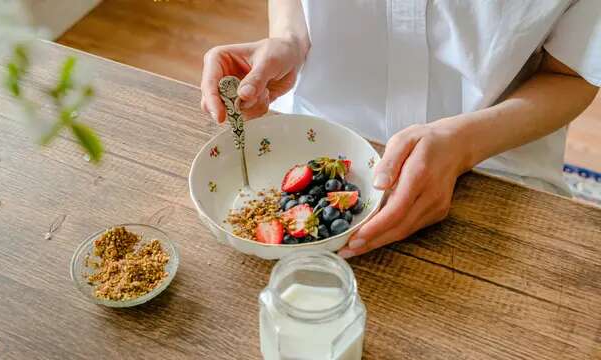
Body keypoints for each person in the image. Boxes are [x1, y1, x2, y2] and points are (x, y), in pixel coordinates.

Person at [200, 0, 600, 258]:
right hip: (316, 144)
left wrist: (462, 144)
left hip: (493, 169)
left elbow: (571, 75)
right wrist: (288, 38)